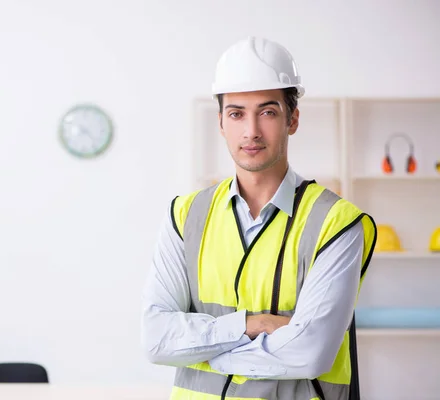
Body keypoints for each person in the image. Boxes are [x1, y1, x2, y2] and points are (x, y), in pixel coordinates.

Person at [140, 36, 377, 400]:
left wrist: (202, 354)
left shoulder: (337, 222)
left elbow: (310, 353)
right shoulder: (185, 215)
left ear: (292, 119)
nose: (251, 130)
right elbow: (156, 339)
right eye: (236, 113)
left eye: (267, 112)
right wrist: (256, 325)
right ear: (220, 121)